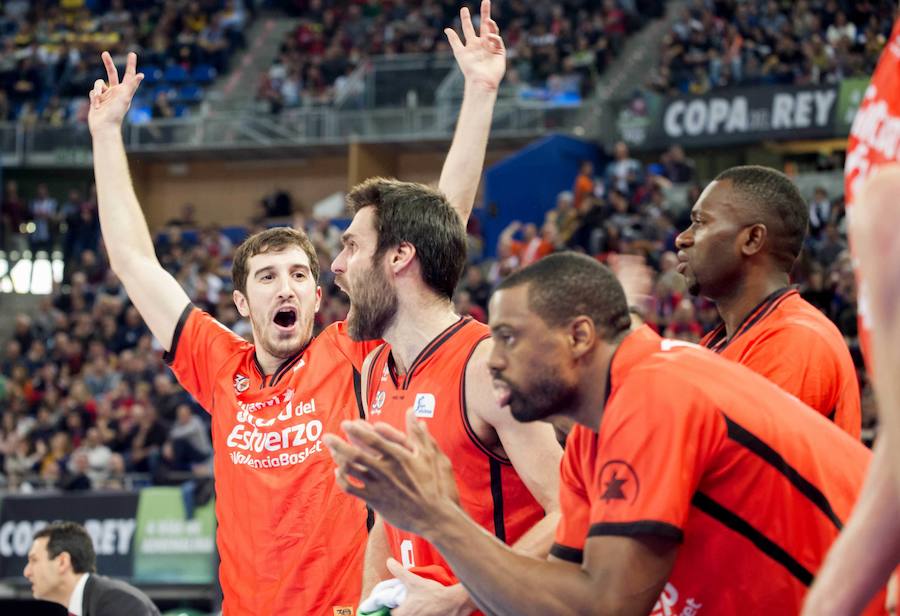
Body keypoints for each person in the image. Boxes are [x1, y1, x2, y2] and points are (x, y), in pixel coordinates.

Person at [85, 1, 505, 609]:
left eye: (300, 274)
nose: (286, 286)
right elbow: (133, 261)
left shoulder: (351, 351)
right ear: (239, 299)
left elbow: (438, 228)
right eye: (267, 276)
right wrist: (104, 135)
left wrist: (480, 92)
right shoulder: (217, 364)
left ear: (316, 293)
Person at [324, 252, 876, 615]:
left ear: (579, 336)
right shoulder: (594, 431)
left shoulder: (654, 394)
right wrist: (456, 598)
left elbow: (604, 608)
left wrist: (437, 519)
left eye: (511, 338)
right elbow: (561, 587)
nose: (494, 359)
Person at [332, 176, 560, 615]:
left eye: (352, 247)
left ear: (400, 256)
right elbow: (386, 519)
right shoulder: (374, 370)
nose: (338, 265)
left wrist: (460, 599)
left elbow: (572, 510)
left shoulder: (486, 365)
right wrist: (366, 604)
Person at [675, 165, 861, 437]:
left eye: (700, 222)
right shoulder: (719, 343)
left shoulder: (796, 340)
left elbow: (727, 464)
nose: (682, 238)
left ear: (752, 239)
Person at [24, 521, 160, 616]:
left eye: (34, 560)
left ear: (62, 562)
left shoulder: (115, 602)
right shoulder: (94, 601)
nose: (27, 572)